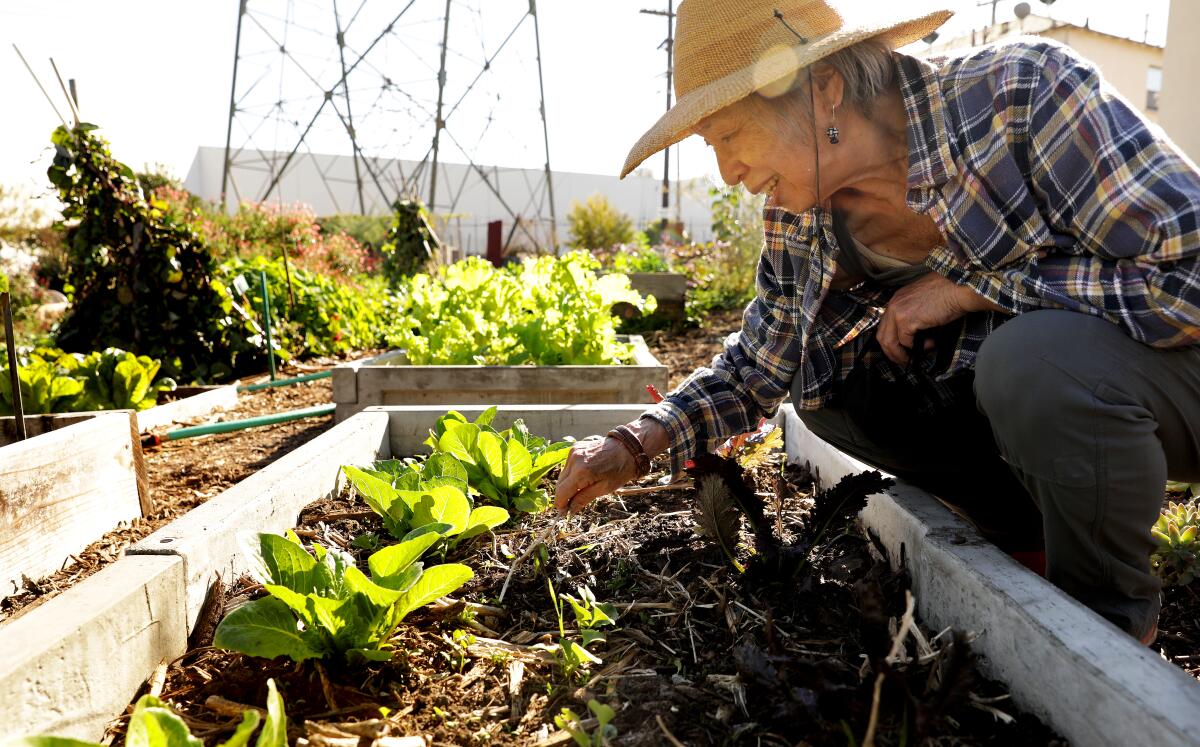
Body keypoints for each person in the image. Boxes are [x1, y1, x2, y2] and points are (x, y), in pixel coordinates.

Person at [555, 0, 1200, 644]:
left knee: (1025, 361)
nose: (728, 174)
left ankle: (1105, 628)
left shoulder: (1019, 98)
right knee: (827, 391)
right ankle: (1024, 536)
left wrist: (968, 290)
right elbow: (760, 362)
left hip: (1173, 378)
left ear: (824, 92)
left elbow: (1188, 276)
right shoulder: (803, 208)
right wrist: (638, 442)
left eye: (728, 137)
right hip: (1067, 419)